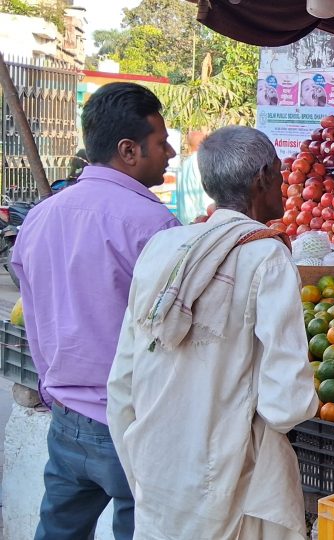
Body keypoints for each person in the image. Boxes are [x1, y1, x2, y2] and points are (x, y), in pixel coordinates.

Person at [108, 126, 318, 540]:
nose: (283, 184)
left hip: (157, 475)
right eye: (279, 173)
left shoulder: (162, 248)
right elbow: (286, 404)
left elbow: (122, 385)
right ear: (262, 177)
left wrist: (142, 470)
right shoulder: (267, 256)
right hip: (228, 483)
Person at [12, 82, 177, 540]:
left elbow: (34, 319)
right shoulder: (154, 226)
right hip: (130, 423)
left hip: (67, 415)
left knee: (58, 532)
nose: (170, 153)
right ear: (128, 150)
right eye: (161, 142)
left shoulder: (42, 216)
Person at [176, 130, 214, 224]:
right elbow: (206, 197)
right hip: (200, 221)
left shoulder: (184, 165)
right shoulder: (202, 162)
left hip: (185, 221)